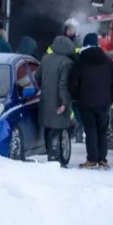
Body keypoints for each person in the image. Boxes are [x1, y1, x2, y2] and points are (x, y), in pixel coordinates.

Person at [68, 33, 113, 169]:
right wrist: (111, 99)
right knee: (102, 130)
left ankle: (92, 159)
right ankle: (102, 159)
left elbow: (74, 82)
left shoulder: (80, 60)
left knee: (90, 130)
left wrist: (76, 97)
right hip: (104, 103)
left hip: (86, 102)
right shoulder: (107, 61)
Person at [36, 34, 76, 166]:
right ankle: (54, 159)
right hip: (58, 101)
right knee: (57, 129)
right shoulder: (66, 63)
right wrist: (64, 102)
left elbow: (37, 77)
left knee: (48, 128)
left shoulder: (45, 59)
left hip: (45, 100)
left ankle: (51, 156)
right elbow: (63, 84)